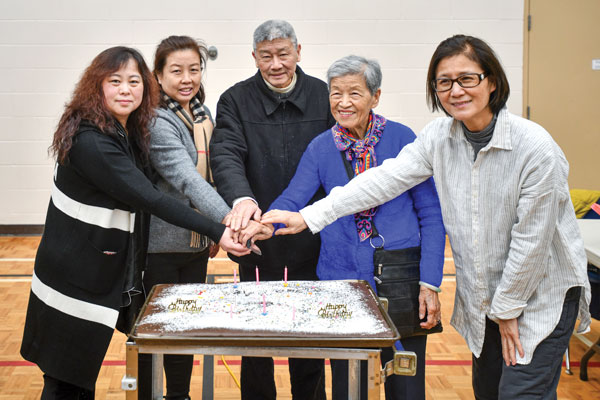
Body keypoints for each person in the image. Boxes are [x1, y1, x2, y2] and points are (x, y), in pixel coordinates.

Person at [263, 35, 592, 400]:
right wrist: (307, 217)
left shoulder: (536, 148)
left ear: (492, 81)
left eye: (467, 79)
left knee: (519, 394)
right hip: (488, 300)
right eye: (444, 82)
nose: (456, 90)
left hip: (537, 298)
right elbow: (381, 180)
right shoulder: (439, 137)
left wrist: (505, 307)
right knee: (487, 392)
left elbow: (532, 242)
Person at [19, 46, 251, 399]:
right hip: (73, 278)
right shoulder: (92, 140)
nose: (126, 89)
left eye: (133, 81)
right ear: (96, 86)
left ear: (146, 86)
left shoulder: (122, 131)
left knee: (77, 379)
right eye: (115, 81)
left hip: (96, 272)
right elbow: (151, 197)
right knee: (65, 381)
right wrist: (220, 228)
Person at [266, 55, 446, 400]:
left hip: (400, 277)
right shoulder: (321, 147)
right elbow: (293, 200)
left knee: (406, 384)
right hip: (341, 279)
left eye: (354, 93)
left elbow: (432, 215)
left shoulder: (402, 138)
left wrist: (430, 282)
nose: (343, 103)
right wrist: (262, 223)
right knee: (351, 386)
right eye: (336, 94)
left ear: (375, 97)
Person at [136, 35, 272, 400]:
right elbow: (188, 180)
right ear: (158, 76)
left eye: (194, 70)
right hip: (160, 248)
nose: (187, 79)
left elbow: (215, 173)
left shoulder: (201, 113)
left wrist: (214, 232)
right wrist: (230, 222)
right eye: (176, 71)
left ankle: (178, 396)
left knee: (185, 332)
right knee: (155, 336)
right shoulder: (156, 120)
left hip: (196, 245)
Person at [210, 19, 335, 400]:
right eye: (266, 56)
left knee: (309, 337)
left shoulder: (323, 95)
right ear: (254, 57)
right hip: (255, 235)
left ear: (299, 51)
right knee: (254, 337)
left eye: (283, 54)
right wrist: (242, 201)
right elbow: (226, 153)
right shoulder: (234, 99)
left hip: (312, 236)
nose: (276, 64)